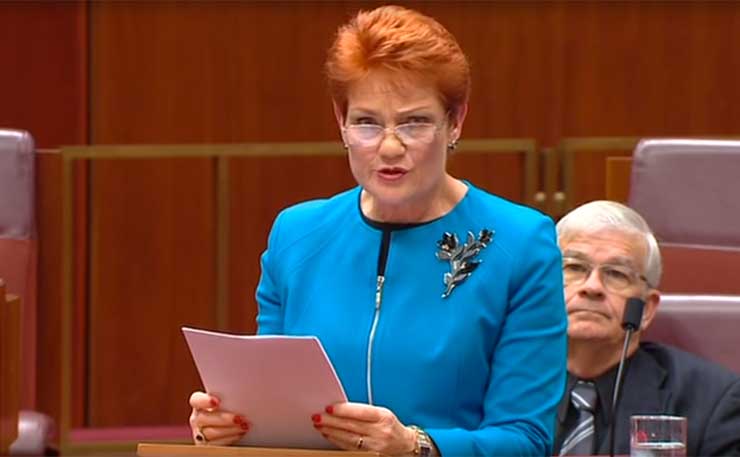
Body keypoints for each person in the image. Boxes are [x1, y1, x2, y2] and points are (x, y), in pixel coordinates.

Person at [188, 5, 567, 456]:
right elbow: (273, 413)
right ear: (341, 123)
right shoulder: (296, 234)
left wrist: (416, 446)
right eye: (367, 122)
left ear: (455, 122)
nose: (389, 147)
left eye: (414, 122)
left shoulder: (522, 244)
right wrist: (228, 424)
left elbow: (527, 439)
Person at [554, 200, 740, 456]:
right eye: (574, 268)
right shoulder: (492, 382)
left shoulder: (712, 402)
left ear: (647, 309)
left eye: (616, 273)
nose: (592, 286)